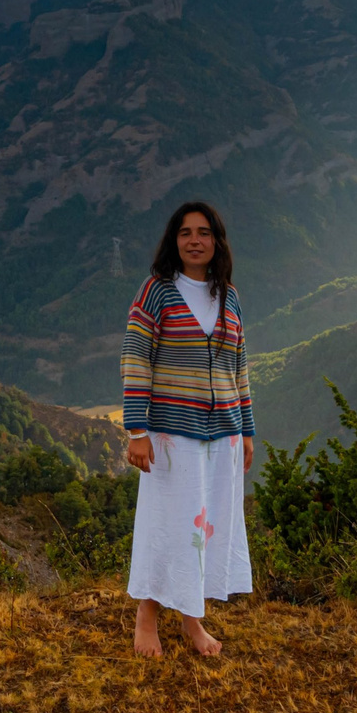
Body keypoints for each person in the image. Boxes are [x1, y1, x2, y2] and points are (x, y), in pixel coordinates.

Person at [119, 199, 254, 657]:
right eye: (185, 233)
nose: (195, 241)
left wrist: (246, 430)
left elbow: (239, 366)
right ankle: (147, 617)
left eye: (203, 232)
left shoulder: (228, 296)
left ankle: (192, 619)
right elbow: (135, 358)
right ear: (173, 241)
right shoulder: (157, 291)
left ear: (217, 241)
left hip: (224, 434)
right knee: (167, 524)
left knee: (204, 527)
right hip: (172, 435)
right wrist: (136, 431)